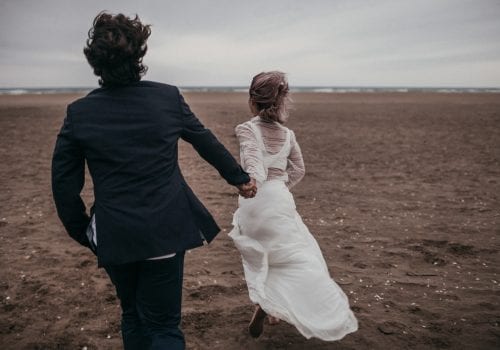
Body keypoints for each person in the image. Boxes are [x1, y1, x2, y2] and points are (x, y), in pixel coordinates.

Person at [51, 12, 256, 350]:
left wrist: (82, 230)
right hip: (164, 229)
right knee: (163, 326)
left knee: (132, 314)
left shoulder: (79, 113)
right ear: (139, 55)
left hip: (115, 234)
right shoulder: (166, 98)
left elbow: (63, 184)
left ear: (96, 62)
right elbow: (205, 141)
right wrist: (240, 179)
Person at [229, 71, 358, 340]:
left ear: (253, 101)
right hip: (280, 200)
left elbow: (254, 168)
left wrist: (254, 183)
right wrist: (280, 189)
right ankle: (275, 307)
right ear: (282, 101)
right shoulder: (288, 134)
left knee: (259, 254)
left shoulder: (246, 129)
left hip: (255, 201)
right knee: (288, 255)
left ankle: (266, 303)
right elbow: (298, 169)